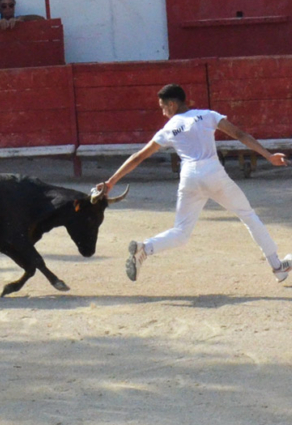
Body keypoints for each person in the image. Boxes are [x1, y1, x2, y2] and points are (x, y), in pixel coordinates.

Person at [95, 83, 292, 284]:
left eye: (163, 107)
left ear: (172, 104)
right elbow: (240, 135)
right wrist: (268, 156)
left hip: (189, 177)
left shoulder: (169, 128)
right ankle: (277, 266)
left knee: (181, 232)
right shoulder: (208, 115)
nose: (163, 113)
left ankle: (144, 248)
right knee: (248, 215)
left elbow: (138, 157)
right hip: (213, 173)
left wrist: (111, 182)